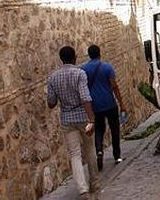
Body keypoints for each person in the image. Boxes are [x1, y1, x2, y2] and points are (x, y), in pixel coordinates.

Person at [47, 46, 99, 198]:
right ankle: (94, 182)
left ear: (61, 59)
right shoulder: (79, 74)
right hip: (83, 117)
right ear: (75, 57)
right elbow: (85, 97)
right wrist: (92, 119)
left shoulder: (53, 78)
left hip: (67, 120)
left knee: (75, 154)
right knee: (89, 150)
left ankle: (82, 190)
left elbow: (51, 102)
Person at [81, 45, 126, 171]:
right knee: (114, 129)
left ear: (89, 55)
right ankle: (117, 156)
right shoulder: (107, 67)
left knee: (99, 130)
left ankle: (99, 151)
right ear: (100, 53)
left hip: (95, 105)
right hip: (109, 103)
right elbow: (114, 86)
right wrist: (122, 104)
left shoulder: (83, 70)